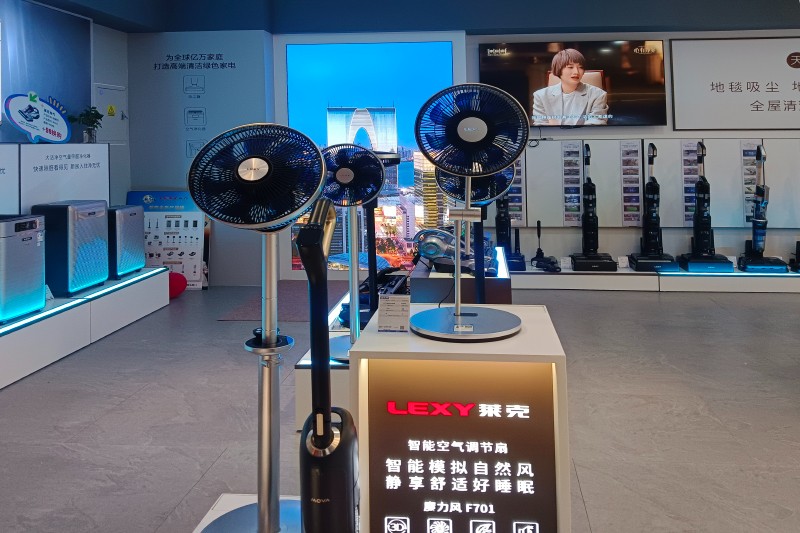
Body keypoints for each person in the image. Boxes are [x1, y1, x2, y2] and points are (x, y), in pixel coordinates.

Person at [532, 48, 609, 126]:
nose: (576, 72)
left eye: (580, 67)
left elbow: (596, 126)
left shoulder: (598, 95)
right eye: (570, 67)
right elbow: (541, 127)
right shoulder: (541, 96)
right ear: (558, 69)